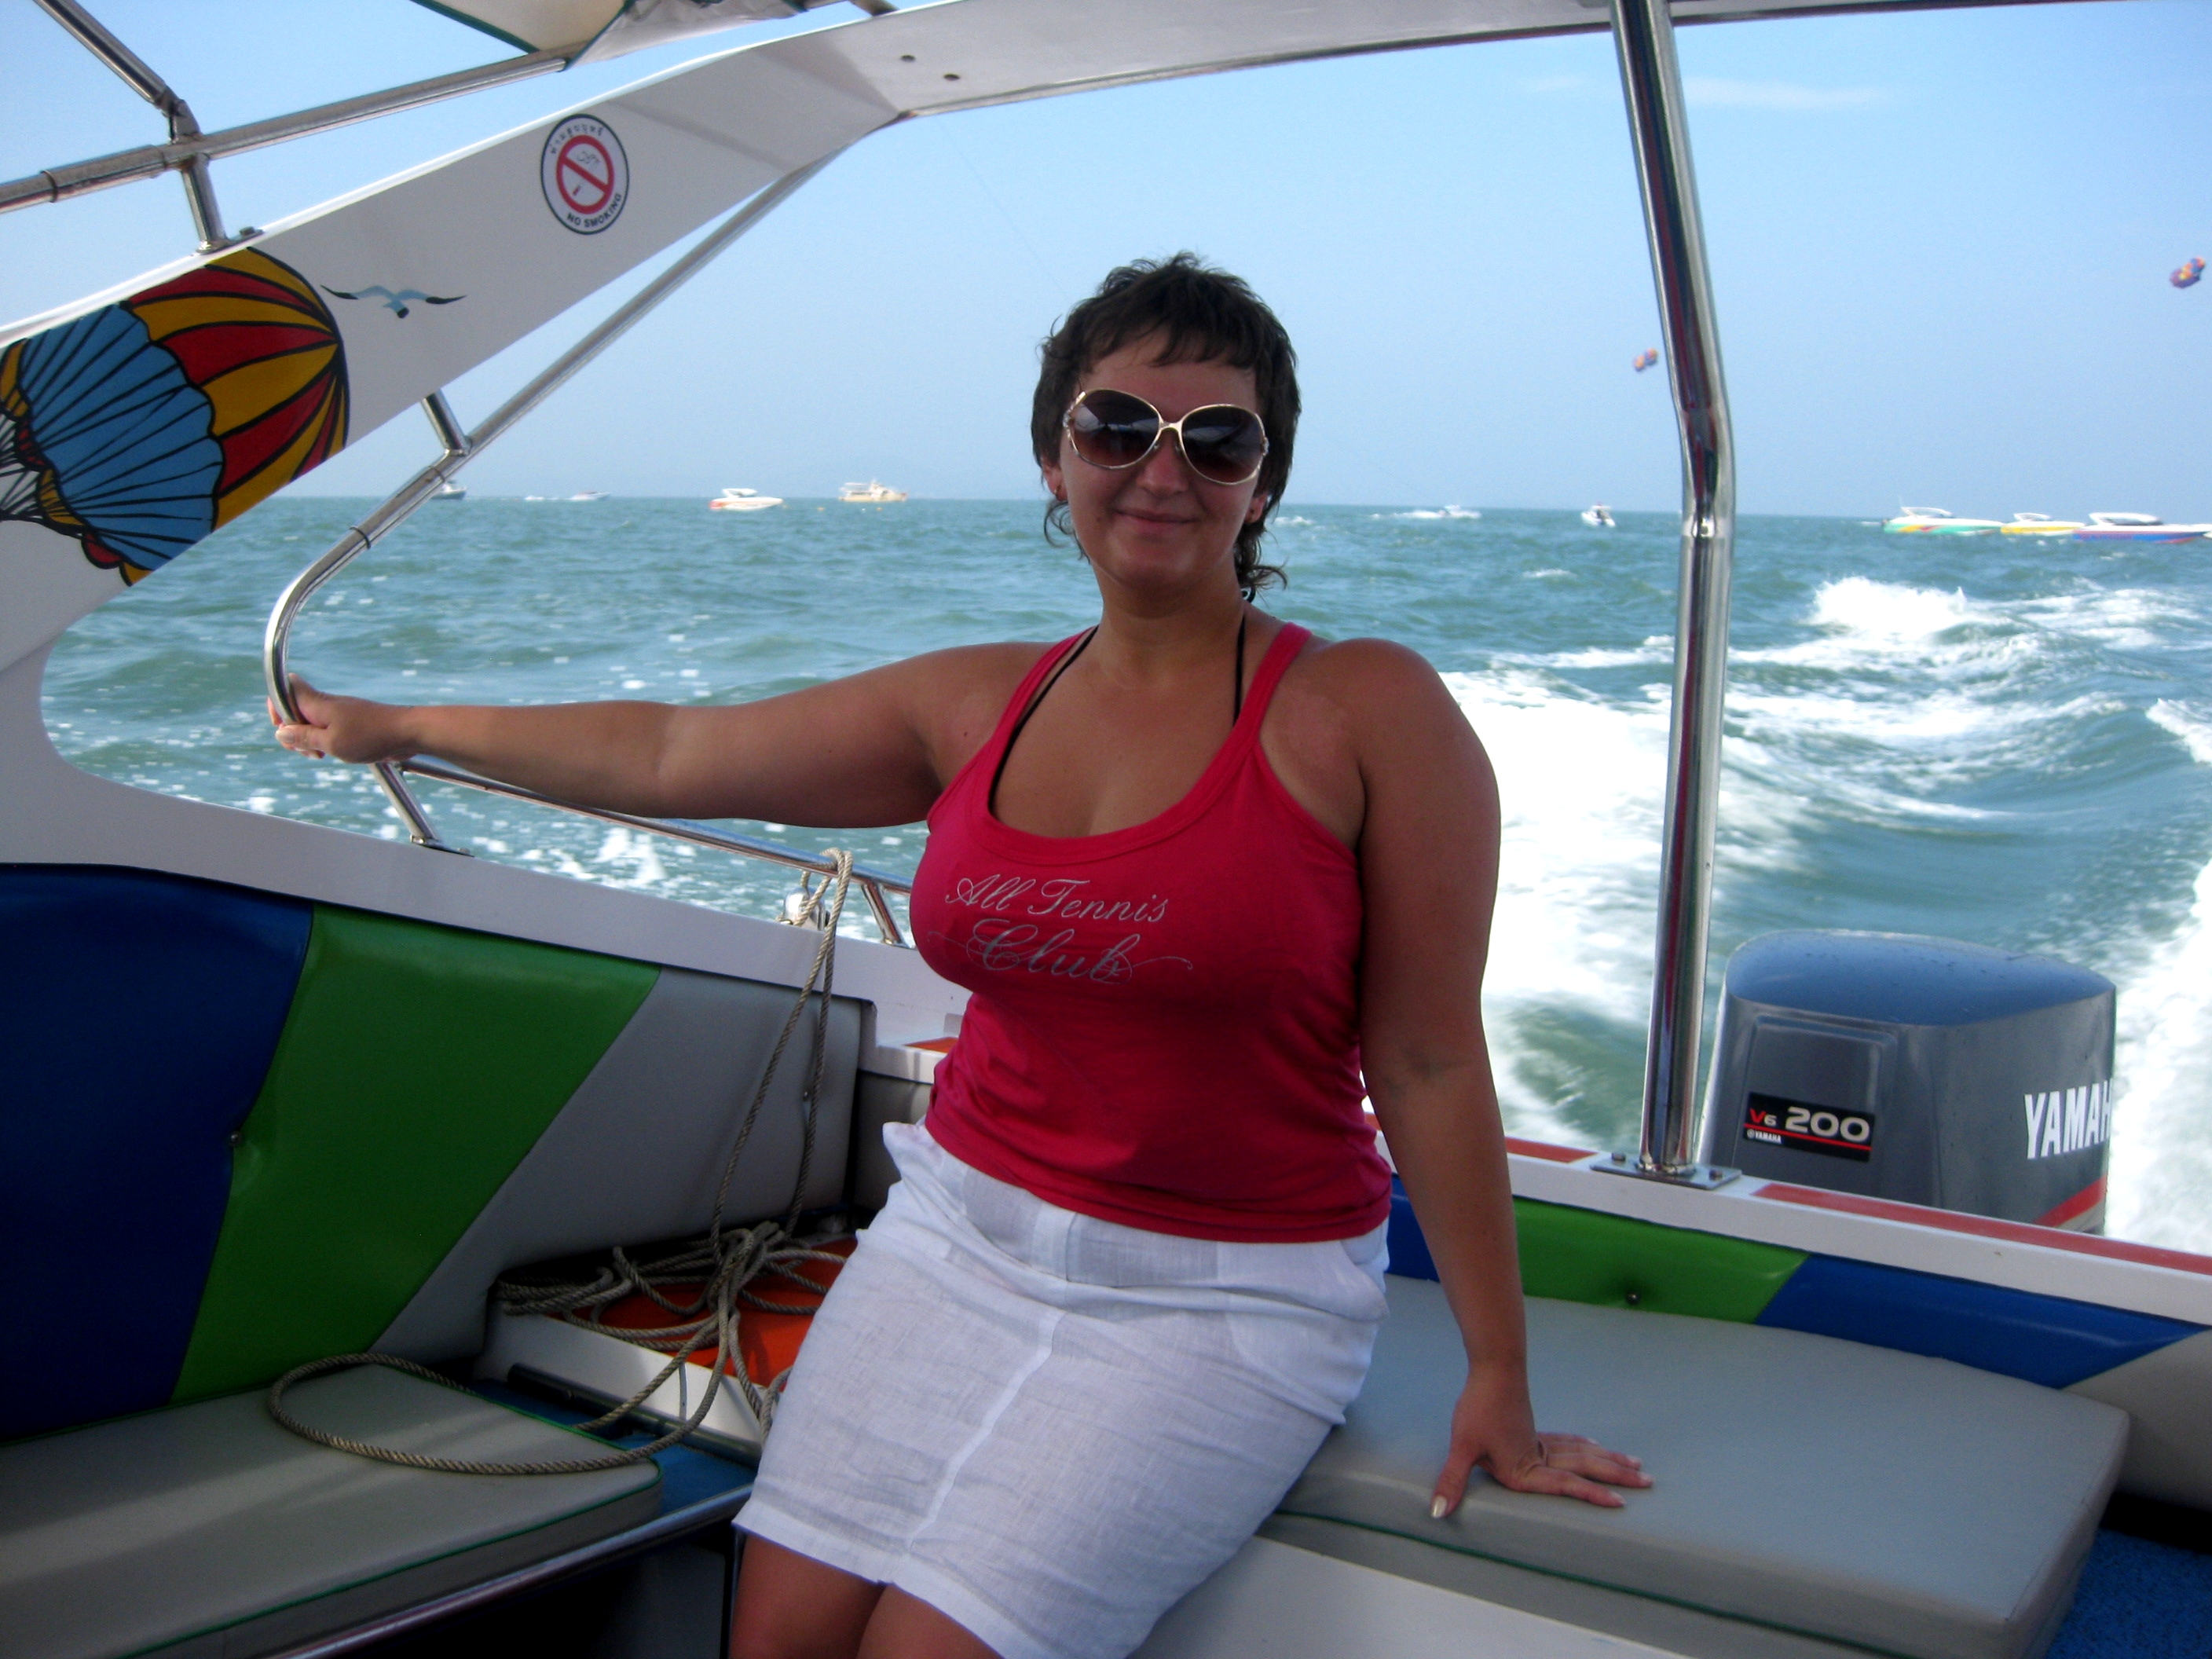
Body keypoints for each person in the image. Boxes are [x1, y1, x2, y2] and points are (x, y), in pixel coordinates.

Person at [272, 253, 1646, 1659]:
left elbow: (1426, 1060)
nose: (1161, 470)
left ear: (1265, 479)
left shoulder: (1367, 712)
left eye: (1217, 439)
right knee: (776, 1638)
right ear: (1056, 456)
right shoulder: (979, 703)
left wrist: (1498, 1368)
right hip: (957, 1237)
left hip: (1232, 1291)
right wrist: (404, 724)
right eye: (1118, 426)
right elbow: (679, 751)